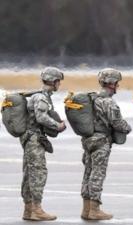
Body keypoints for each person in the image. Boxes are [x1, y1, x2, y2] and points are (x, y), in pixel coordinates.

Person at [80, 68, 132, 220]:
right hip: (101, 141)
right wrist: (128, 128)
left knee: (88, 173)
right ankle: (95, 209)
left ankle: (86, 209)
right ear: (112, 83)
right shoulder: (108, 102)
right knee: (98, 173)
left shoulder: (92, 99)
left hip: (88, 140)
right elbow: (117, 122)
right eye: (117, 83)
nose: (117, 86)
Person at [21, 67, 66, 221]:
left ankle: (29, 210)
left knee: (29, 174)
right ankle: (37, 209)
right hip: (34, 139)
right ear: (54, 81)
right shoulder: (41, 98)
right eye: (58, 81)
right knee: (38, 173)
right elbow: (41, 117)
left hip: (30, 138)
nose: (59, 85)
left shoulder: (38, 96)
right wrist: (57, 125)